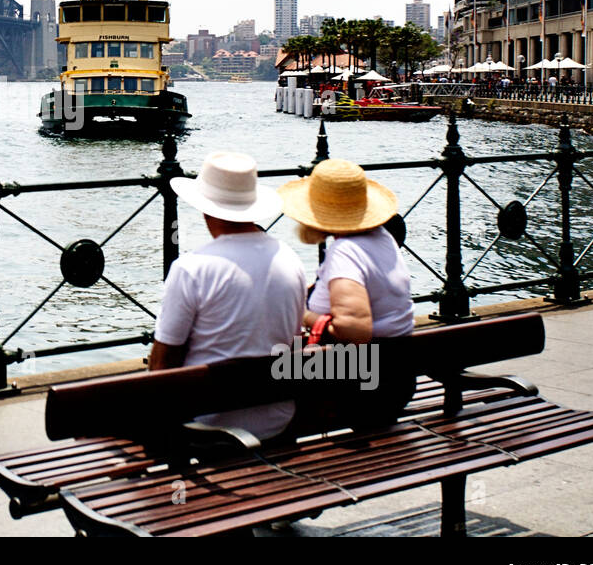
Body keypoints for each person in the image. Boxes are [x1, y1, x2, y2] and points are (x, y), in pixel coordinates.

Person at [150, 151, 306, 441]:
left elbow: (161, 366)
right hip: (278, 421)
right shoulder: (290, 259)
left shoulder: (191, 268)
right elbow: (294, 345)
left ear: (205, 209)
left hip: (208, 426)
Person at [278, 158, 416, 426]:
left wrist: (301, 312)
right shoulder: (382, 238)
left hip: (362, 385)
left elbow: (355, 332)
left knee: (256, 374)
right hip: (395, 375)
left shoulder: (346, 251)